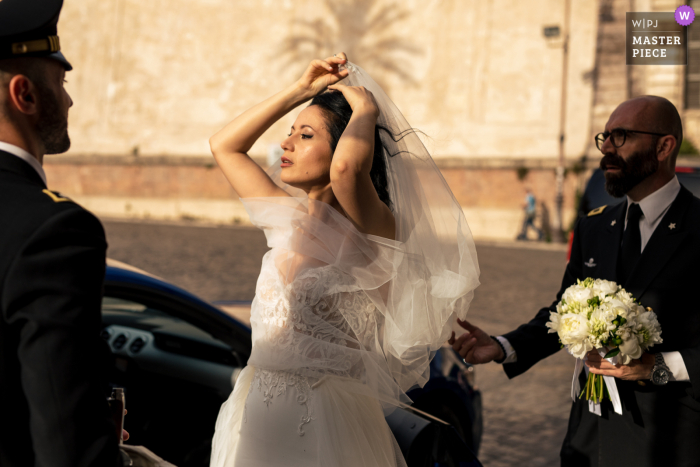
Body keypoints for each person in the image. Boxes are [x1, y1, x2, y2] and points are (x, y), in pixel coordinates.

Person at [209, 53, 480, 466]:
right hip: (257, 417)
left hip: (326, 424)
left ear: (342, 146)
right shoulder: (285, 220)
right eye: (290, 133)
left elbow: (348, 173)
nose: (286, 143)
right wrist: (301, 90)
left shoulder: (374, 232)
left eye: (305, 136)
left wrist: (366, 108)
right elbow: (224, 145)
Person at [450, 95, 700, 466]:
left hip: (667, 441)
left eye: (622, 137)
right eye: (605, 138)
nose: (607, 150)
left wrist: (656, 366)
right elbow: (565, 312)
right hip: (588, 440)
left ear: (664, 146)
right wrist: (503, 346)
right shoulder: (594, 226)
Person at [0, 2, 171, 466]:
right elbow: (67, 447)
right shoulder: (52, 229)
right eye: (62, 82)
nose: (70, 100)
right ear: (26, 95)